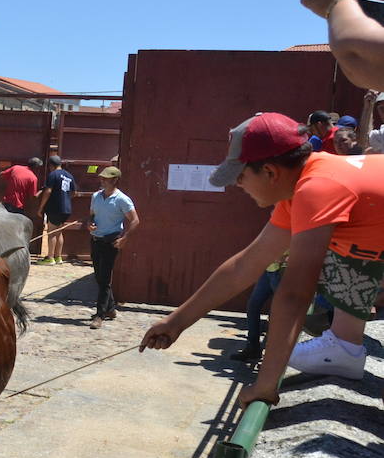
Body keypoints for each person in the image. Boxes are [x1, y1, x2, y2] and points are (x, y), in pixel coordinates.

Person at [142, 112, 384, 403]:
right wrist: (176, 321)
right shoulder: (301, 186)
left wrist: (265, 386)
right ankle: (344, 346)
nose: (237, 185)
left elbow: (295, 293)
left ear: (270, 172)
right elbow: (247, 264)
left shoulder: (317, 189)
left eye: (240, 176)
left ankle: (343, 346)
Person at [86, 166, 138, 329]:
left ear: (115, 180)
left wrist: (125, 238)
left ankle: (99, 315)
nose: (102, 181)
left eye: (106, 178)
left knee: (105, 279)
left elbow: (135, 220)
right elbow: (92, 216)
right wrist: (90, 224)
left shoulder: (122, 199)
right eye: (101, 178)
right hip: (96, 240)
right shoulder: (96, 196)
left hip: (111, 241)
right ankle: (111, 309)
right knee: (99, 277)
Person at [36, 155, 77, 263]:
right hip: (66, 209)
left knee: (51, 232)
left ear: (51, 165)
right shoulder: (69, 175)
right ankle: (58, 257)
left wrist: (41, 207)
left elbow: (48, 191)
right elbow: (74, 193)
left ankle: (50, 258)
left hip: (55, 207)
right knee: (59, 232)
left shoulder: (53, 175)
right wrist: (66, 199)